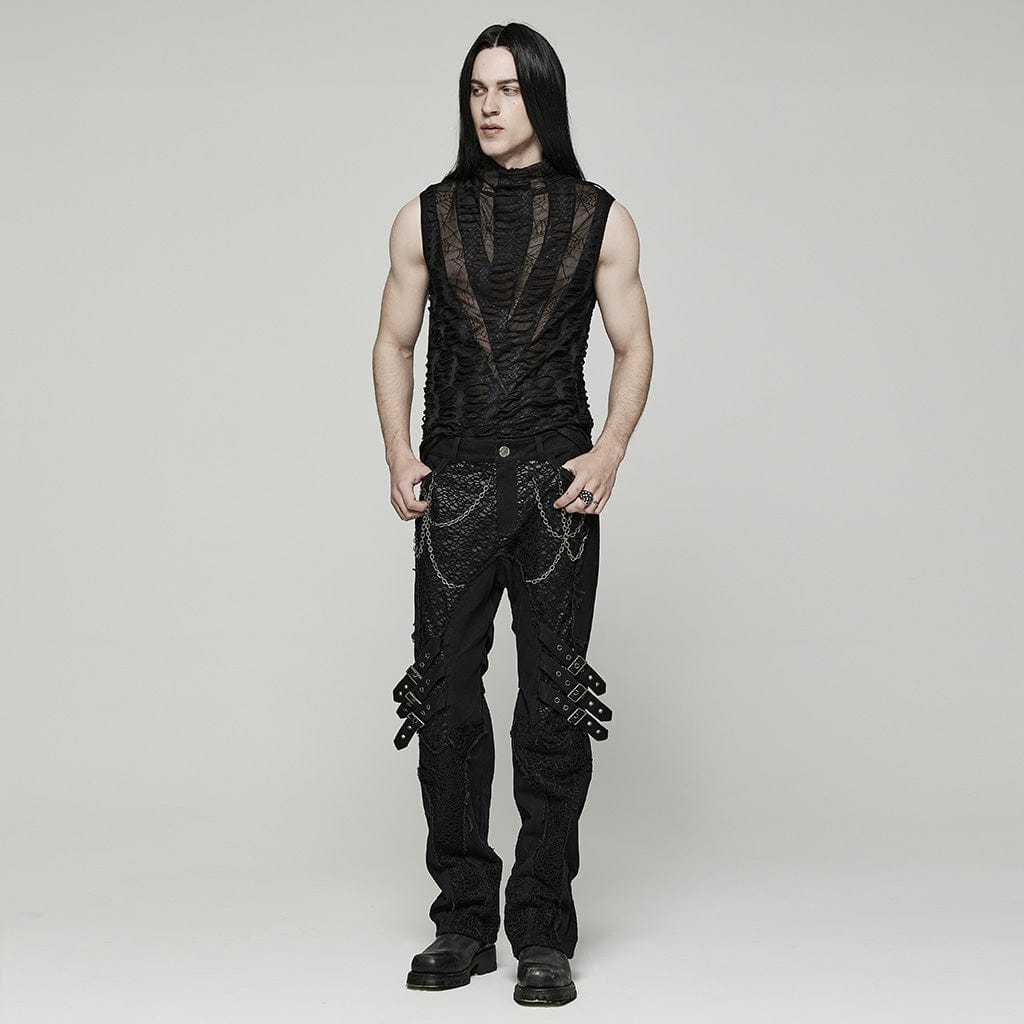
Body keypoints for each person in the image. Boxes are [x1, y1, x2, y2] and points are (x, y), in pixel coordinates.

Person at [371, 22, 653, 1007]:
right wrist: (399, 453)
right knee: (445, 702)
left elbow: (635, 344)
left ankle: (541, 931)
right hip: (452, 483)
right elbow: (393, 339)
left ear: (543, 97)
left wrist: (609, 450)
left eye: (508, 89)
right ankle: (461, 922)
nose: (489, 106)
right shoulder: (424, 215)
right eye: (476, 89)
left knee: (552, 708)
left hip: (553, 489)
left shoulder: (601, 217)